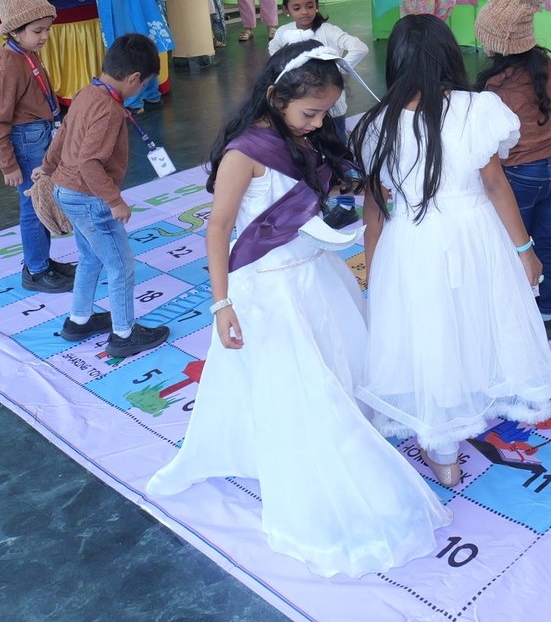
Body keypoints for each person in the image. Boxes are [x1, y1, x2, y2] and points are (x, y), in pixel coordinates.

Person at [147, 42, 449, 576]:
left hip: (318, 276)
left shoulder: (302, 138)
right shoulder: (245, 152)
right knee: (300, 386)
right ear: (275, 96)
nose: (318, 123)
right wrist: (221, 303)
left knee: (336, 366)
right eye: (310, 112)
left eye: (325, 113)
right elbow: (218, 231)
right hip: (269, 289)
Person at [350, 15, 551, 488]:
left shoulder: (376, 124)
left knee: (432, 330)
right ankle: (472, 402)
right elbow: (495, 185)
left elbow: (374, 211)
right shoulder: (477, 109)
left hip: (412, 241)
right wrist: (525, 249)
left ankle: (443, 451)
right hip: (475, 234)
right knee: (476, 317)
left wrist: (374, 270)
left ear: (396, 62)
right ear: (450, 55)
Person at [39, 33, 172, 360]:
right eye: (144, 84)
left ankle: (79, 320)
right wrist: (114, 200)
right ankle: (124, 335)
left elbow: (63, 134)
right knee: (121, 265)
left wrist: (47, 167)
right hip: (89, 198)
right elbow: (89, 162)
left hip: (67, 191)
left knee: (90, 257)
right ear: (134, 78)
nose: (141, 90)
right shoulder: (110, 110)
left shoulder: (87, 92)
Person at [474, 0, 551, 341]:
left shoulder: (495, 85)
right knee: (549, 241)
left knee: (512, 242)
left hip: (519, 172)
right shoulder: (548, 68)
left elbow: (491, 142)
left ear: (495, 43)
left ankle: (511, 314)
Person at [0, 0, 75, 294]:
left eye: (47, 29)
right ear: (14, 31)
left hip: (40, 135)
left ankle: (42, 261)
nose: (44, 37)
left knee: (43, 200)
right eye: (37, 31)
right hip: (26, 142)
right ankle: (36, 271)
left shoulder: (25, 53)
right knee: (34, 207)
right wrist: (7, 163)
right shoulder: (10, 64)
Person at [269, 0, 370, 143]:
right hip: (300, 105)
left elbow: (360, 48)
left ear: (317, 5)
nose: (304, 12)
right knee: (304, 144)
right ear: (286, 9)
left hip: (332, 107)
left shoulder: (328, 31)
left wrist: (336, 71)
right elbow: (273, 50)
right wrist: (286, 73)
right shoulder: (283, 32)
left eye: (310, 6)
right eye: (297, 8)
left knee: (337, 143)